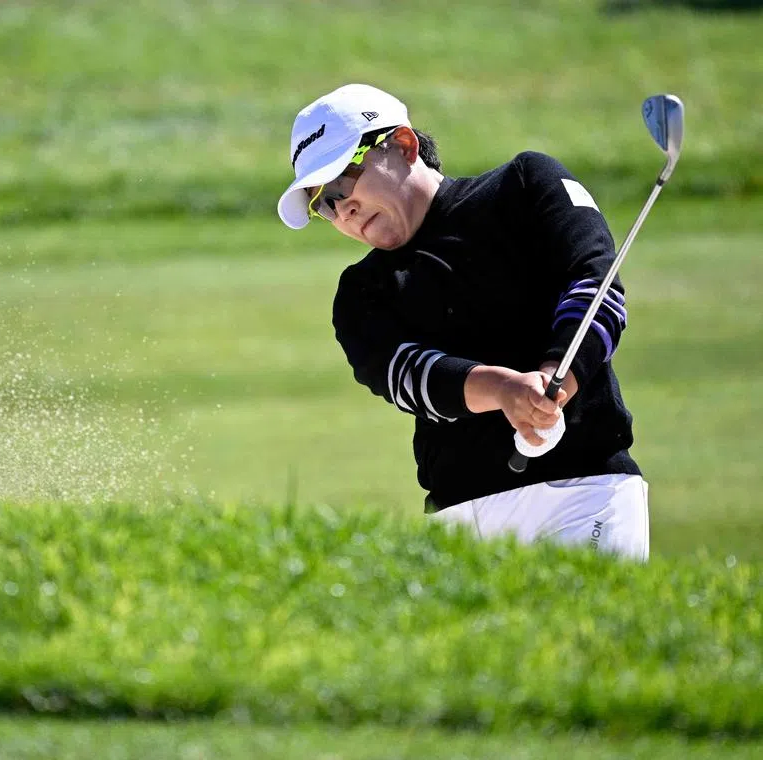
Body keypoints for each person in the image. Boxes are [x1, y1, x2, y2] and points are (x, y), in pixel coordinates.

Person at [277, 84, 649, 560]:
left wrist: (560, 371)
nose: (342, 208)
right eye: (323, 203)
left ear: (403, 145)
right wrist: (505, 390)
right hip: (456, 523)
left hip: (583, 492)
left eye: (342, 182)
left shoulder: (523, 186)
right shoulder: (360, 293)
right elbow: (408, 375)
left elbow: (596, 285)